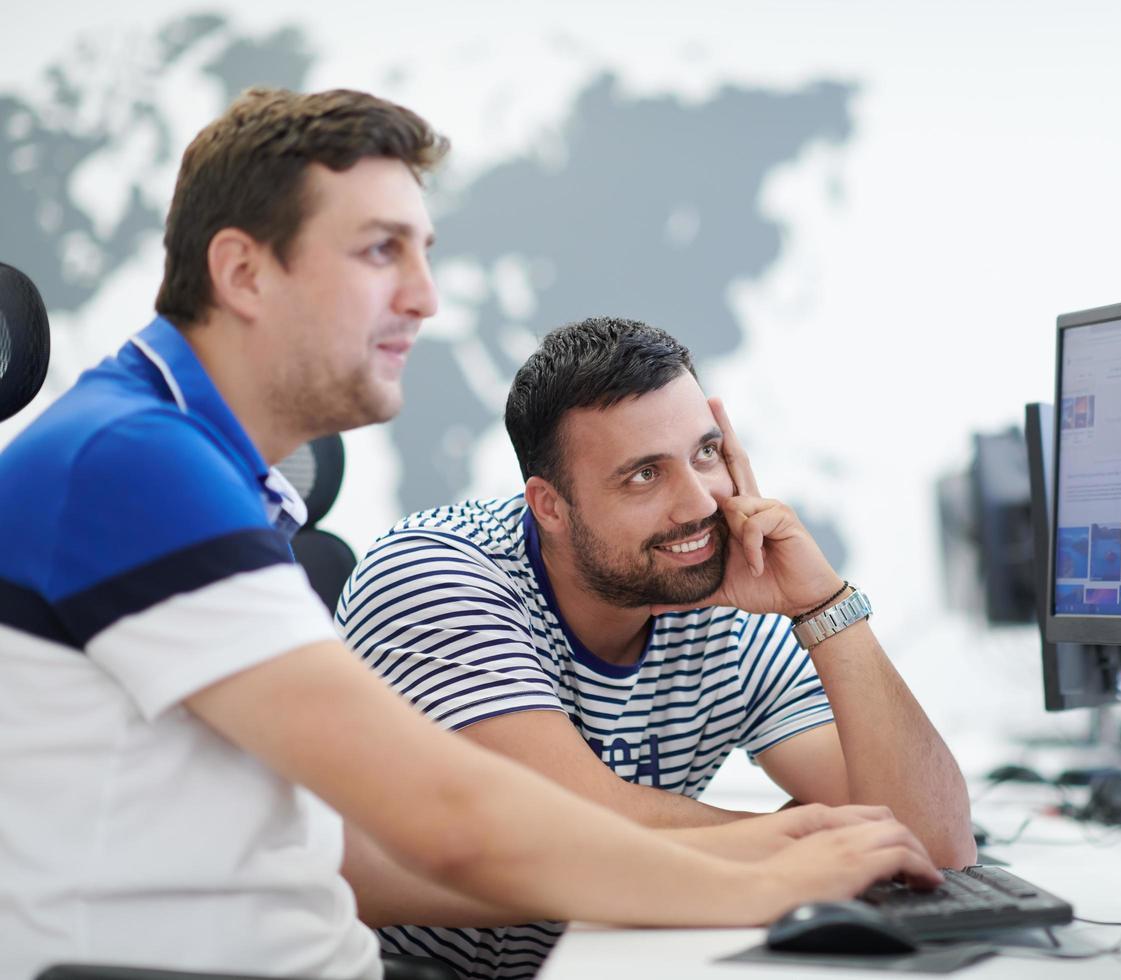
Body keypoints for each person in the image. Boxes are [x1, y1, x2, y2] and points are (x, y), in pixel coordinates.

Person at [0, 89, 940, 980]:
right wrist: (757, 882)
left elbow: (353, 849)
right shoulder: (130, 461)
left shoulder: (197, 466)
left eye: (424, 251)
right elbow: (447, 816)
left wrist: (765, 843)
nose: (424, 296)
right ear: (244, 272)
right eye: (380, 252)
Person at [337, 316, 975, 978]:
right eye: (645, 475)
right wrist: (809, 846)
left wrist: (823, 605)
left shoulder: (722, 595)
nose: (698, 504)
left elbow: (934, 847)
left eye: (706, 454)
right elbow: (569, 824)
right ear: (549, 507)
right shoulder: (434, 574)